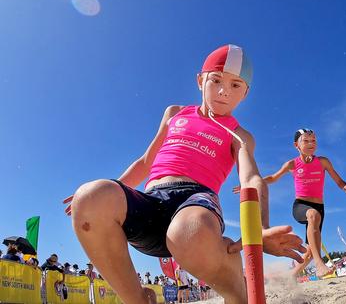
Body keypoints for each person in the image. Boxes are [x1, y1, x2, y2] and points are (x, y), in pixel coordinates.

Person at [64, 44, 305, 304]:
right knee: (90, 196)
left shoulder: (240, 135)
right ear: (201, 80)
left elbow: (252, 180)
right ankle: (136, 299)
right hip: (153, 201)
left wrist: (259, 230)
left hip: (197, 204)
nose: (224, 91)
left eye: (236, 85)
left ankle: (235, 285)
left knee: (187, 231)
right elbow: (146, 162)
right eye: (216, 80)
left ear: (245, 93)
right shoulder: (175, 113)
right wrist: (100, 200)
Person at [256, 128, 346, 277]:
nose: (311, 144)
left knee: (309, 252)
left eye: (313, 141)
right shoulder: (292, 164)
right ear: (296, 145)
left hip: (320, 207)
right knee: (312, 215)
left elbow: (338, 180)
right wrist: (253, 182)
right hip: (300, 205)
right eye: (306, 141)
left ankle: (291, 277)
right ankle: (320, 265)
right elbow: (273, 178)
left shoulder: (323, 162)